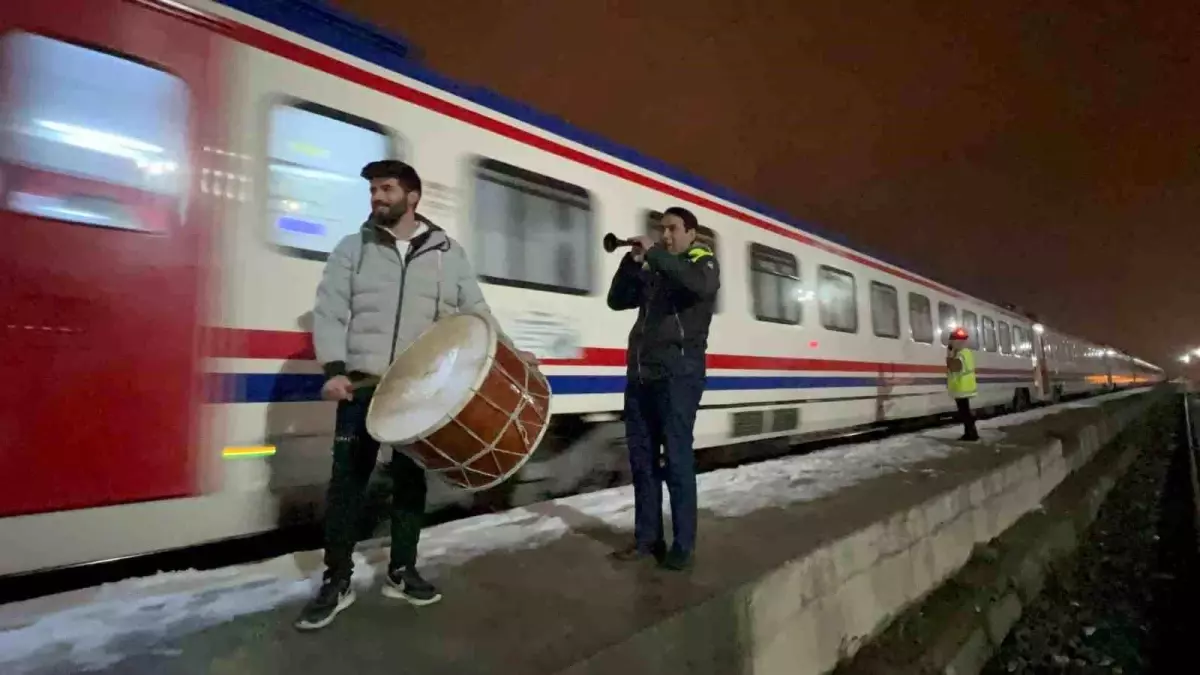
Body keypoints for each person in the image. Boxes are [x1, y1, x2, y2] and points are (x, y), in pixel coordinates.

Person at [296, 159, 534, 631]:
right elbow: (329, 311)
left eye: (386, 189)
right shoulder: (353, 249)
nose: (377, 197)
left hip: (423, 391)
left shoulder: (449, 253)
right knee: (347, 486)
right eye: (373, 190)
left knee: (410, 486)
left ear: (412, 196)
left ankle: (402, 571)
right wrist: (335, 369)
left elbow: (476, 310)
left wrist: (511, 352)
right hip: (362, 388)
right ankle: (336, 580)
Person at [605, 206, 720, 571]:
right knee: (642, 463)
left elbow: (698, 285)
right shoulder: (657, 270)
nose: (665, 235)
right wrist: (632, 261)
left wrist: (654, 253)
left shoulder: (703, 262)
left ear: (691, 233)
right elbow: (617, 300)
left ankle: (683, 544)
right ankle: (646, 539)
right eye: (661, 229)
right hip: (641, 377)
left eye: (672, 229)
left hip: (678, 377)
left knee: (677, 460)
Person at [946, 326, 980, 441]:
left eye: (952, 340)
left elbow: (954, 367)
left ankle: (972, 434)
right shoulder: (966, 352)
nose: (950, 342)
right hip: (964, 387)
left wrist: (949, 355)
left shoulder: (961, 354)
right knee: (965, 412)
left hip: (961, 387)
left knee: (964, 413)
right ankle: (969, 433)